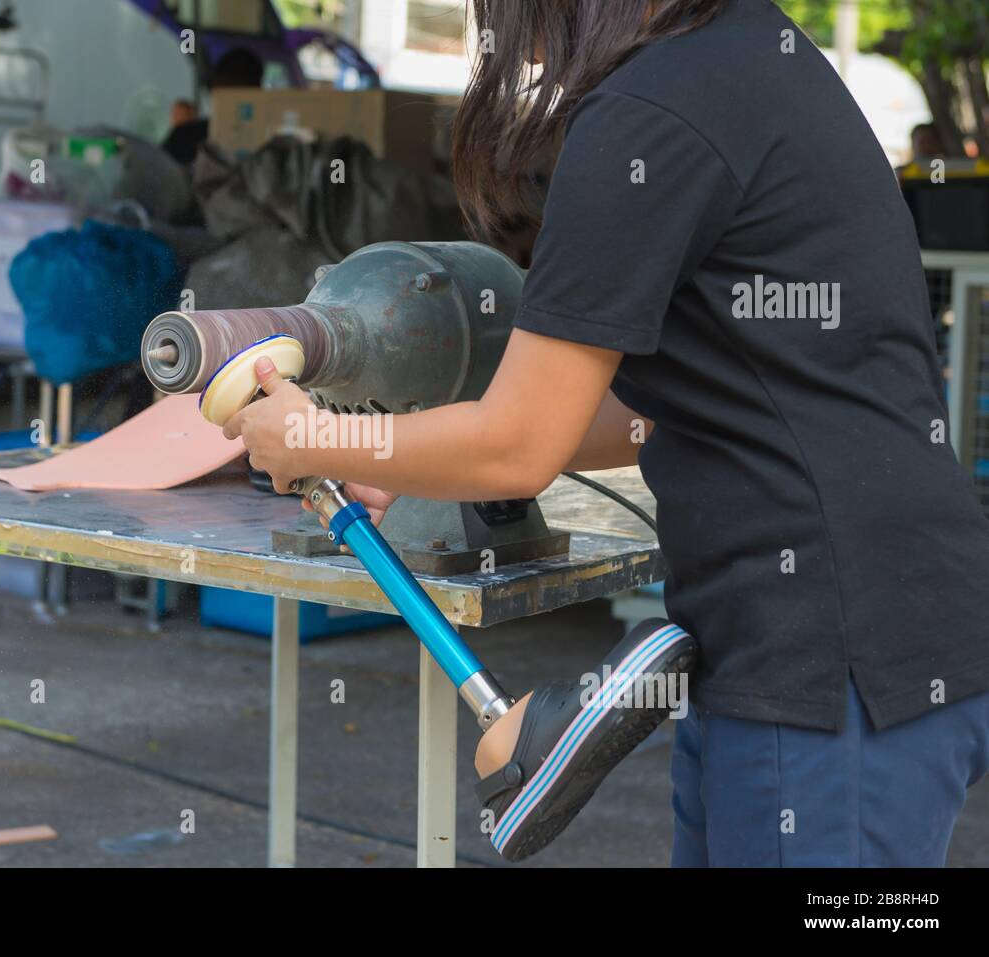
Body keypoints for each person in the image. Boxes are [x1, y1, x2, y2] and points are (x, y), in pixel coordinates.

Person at [223, 0, 989, 866]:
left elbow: (520, 442)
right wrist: (409, 458)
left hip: (830, 665)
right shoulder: (744, 51)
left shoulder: (644, 118)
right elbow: (653, 407)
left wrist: (313, 438)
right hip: (845, 640)